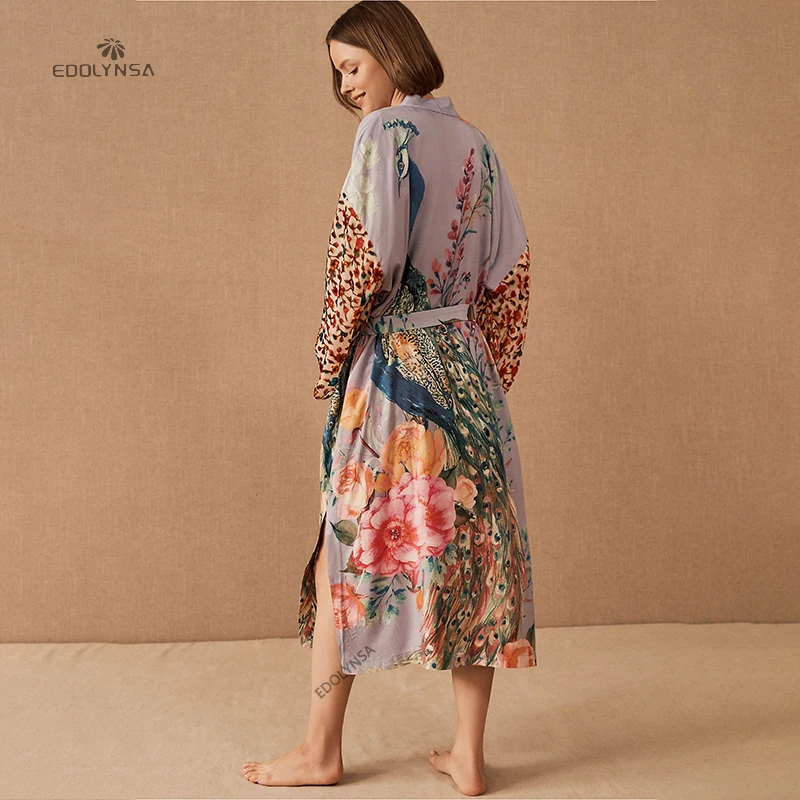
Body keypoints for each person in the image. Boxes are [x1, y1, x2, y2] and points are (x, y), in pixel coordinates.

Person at [243, 1, 536, 796]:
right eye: (338, 73)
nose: (345, 87)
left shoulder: (384, 134)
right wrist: (486, 373)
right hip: (466, 366)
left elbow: (364, 258)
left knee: (345, 553)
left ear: (391, 52)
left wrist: (331, 359)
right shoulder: (477, 142)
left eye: (352, 66)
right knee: (474, 559)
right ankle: (469, 757)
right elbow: (510, 274)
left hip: (396, 368)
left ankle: (321, 750)